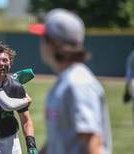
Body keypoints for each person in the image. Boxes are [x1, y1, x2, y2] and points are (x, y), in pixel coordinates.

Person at [29, 8, 112, 154]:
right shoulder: (64, 82)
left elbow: (92, 143)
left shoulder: (78, 83)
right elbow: (59, 138)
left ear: (54, 43)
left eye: (43, 38)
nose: (40, 43)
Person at [123, 42, 134, 123]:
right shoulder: (132, 56)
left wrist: (126, 87)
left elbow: (128, 72)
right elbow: (129, 72)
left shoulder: (131, 56)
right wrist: (127, 87)